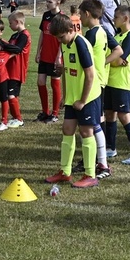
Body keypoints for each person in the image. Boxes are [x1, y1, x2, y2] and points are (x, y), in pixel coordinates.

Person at [43, 13, 101, 189]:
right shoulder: (65, 44)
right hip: (73, 97)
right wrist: (65, 96)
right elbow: (68, 71)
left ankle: (90, 174)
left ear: (71, 29)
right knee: (67, 129)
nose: (59, 41)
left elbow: (90, 75)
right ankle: (65, 172)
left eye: (61, 37)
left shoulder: (81, 44)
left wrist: (82, 101)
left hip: (88, 97)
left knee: (85, 132)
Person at [79, 0, 122, 177]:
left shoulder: (91, 34)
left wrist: (98, 64)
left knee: (92, 122)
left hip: (93, 82)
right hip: (100, 80)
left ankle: (97, 160)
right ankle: (98, 158)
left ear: (87, 14)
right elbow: (118, 51)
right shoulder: (104, 30)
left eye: (81, 14)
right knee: (98, 119)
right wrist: (103, 63)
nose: (80, 18)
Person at [104, 5, 130, 165]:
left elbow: (118, 60)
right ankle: (110, 148)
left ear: (125, 18)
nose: (114, 20)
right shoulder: (119, 35)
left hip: (123, 83)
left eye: (116, 17)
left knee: (124, 116)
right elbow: (116, 59)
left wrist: (111, 61)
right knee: (110, 114)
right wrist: (115, 61)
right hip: (111, 81)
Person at [34, 0, 66, 123]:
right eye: (46, 1)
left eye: (49, 1)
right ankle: (45, 112)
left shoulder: (62, 18)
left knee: (55, 84)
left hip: (55, 56)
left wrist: (59, 56)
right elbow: (42, 34)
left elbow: (63, 40)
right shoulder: (46, 15)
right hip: (45, 55)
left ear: (58, 2)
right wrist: (38, 51)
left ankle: (55, 113)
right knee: (40, 82)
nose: (47, 4)